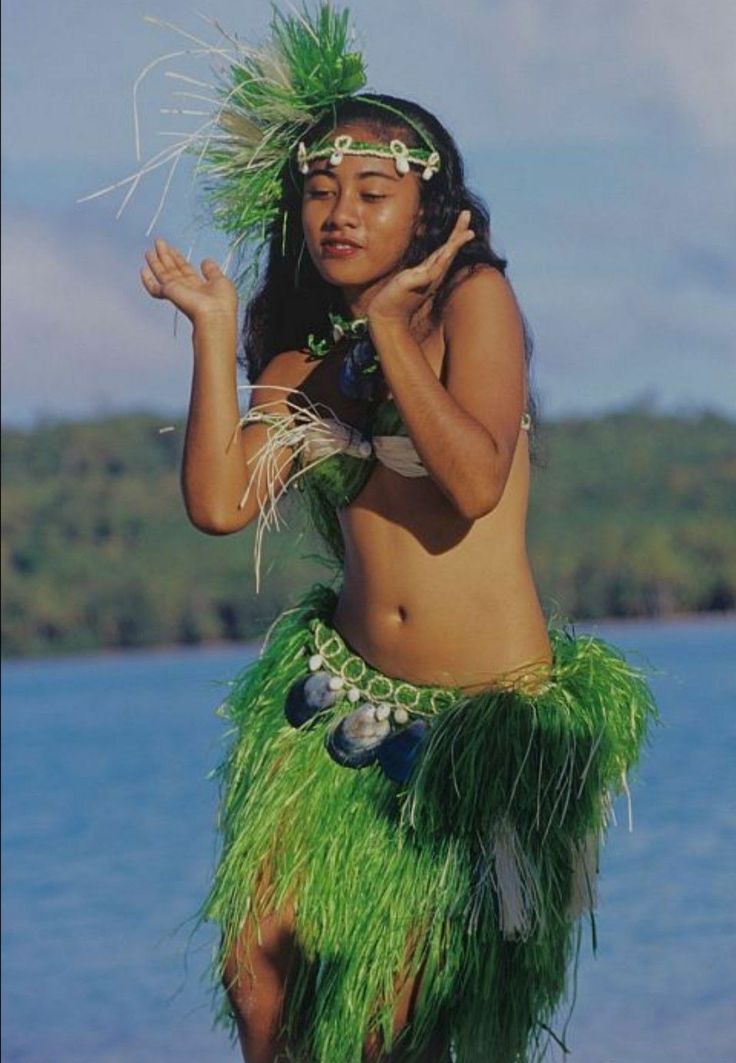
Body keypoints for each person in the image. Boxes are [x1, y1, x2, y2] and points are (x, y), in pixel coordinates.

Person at [132, 5, 661, 1061]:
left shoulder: (474, 301)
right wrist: (210, 332)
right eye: (320, 192)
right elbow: (218, 504)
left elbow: (470, 481)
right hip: (336, 703)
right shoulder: (300, 358)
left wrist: (389, 329)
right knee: (259, 965)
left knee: (389, 1011)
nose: (339, 212)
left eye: (372, 193)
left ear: (430, 207)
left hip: (475, 723)